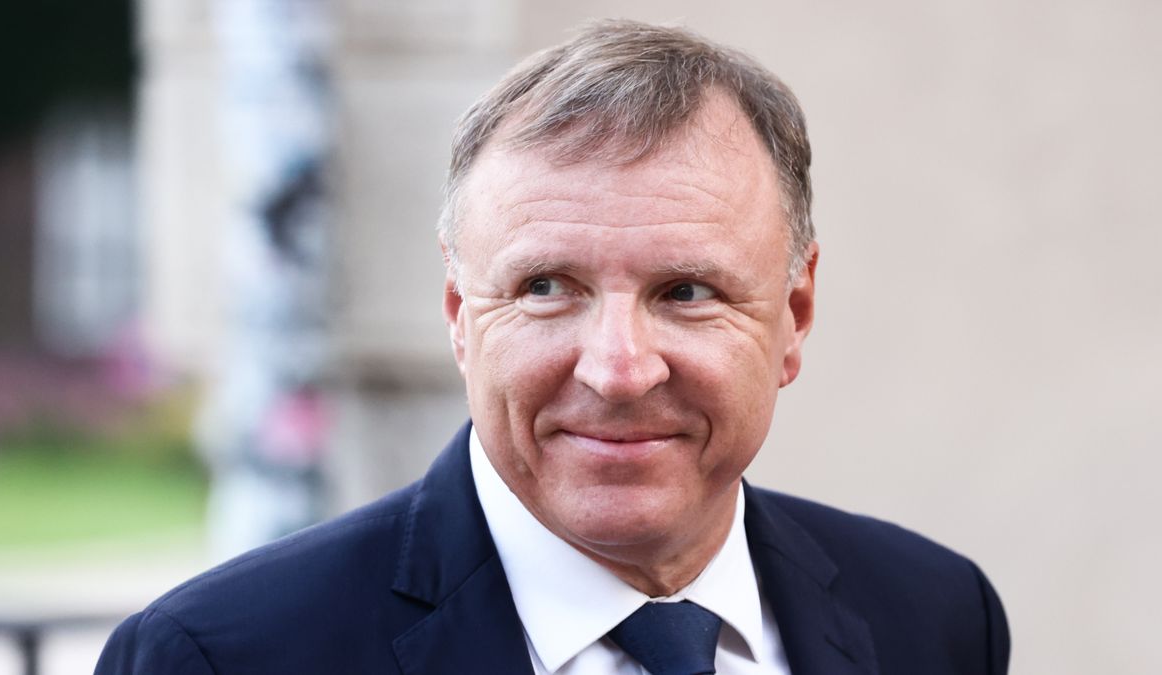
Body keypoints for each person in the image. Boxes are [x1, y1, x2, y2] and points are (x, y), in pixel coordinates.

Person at [96, 19, 1010, 675]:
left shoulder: (934, 616)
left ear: (794, 316)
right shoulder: (222, 656)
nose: (617, 369)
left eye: (686, 291)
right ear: (461, 316)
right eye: (546, 288)